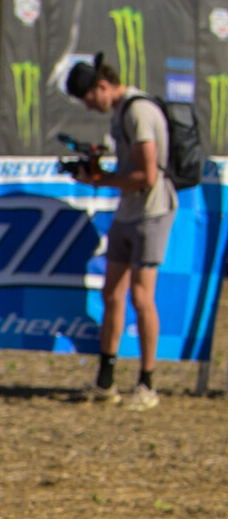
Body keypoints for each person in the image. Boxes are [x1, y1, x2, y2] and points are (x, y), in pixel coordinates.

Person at [67, 54, 172, 410]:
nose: (90, 107)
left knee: (141, 298)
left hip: (151, 212)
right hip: (128, 211)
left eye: (89, 99)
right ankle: (106, 382)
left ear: (102, 86)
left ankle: (146, 385)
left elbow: (147, 176)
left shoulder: (138, 111)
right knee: (112, 293)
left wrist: (103, 180)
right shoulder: (120, 112)